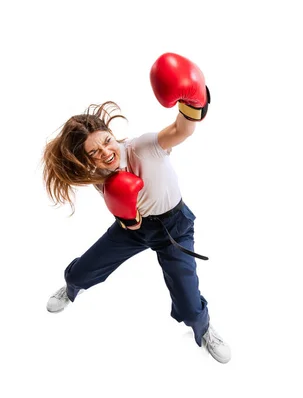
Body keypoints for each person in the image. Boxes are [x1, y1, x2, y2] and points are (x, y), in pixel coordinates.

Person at [42, 52, 231, 364]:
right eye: (94, 151)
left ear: (113, 135)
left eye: (106, 141)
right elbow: (124, 215)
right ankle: (71, 288)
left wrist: (194, 100)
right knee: (83, 269)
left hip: (175, 227)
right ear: (87, 160)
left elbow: (181, 130)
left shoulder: (144, 147)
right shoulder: (99, 177)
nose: (105, 152)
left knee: (188, 300)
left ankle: (204, 328)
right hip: (133, 230)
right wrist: (128, 219)